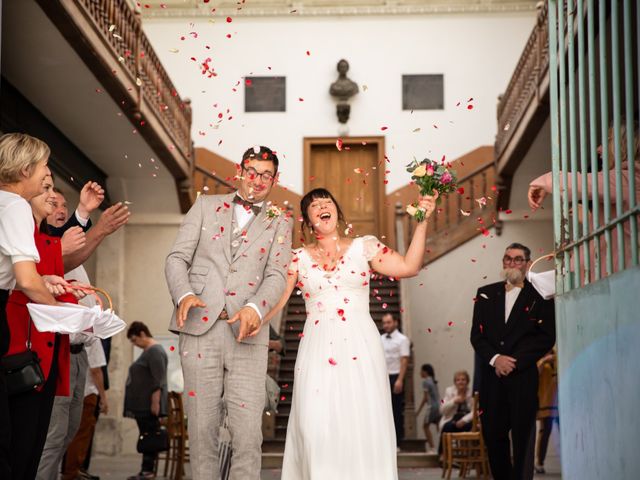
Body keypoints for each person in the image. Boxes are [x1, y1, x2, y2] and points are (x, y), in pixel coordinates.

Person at [268, 187, 437, 480]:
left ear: (336, 210)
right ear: (308, 221)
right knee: (314, 422)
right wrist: (244, 318)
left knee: (362, 419)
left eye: (327, 201)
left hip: (361, 344)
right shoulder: (296, 259)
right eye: (314, 204)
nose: (322, 205)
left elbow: (409, 267)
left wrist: (422, 220)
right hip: (317, 348)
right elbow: (274, 302)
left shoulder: (365, 247)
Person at [164, 146, 293, 480]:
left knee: (248, 435)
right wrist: (184, 294)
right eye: (252, 171)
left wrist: (255, 308)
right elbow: (177, 258)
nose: (258, 179)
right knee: (203, 431)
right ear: (240, 171)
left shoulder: (281, 220)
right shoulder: (205, 206)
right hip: (199, 330)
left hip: (248, 334)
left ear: (275, 179)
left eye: (267, 174)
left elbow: (277, 274)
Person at [37, 184, 125, 480]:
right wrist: (91, 222)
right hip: (53, 350)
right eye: (52, 200)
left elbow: (71, 245)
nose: (60, 209)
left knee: (68, 432)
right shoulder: (43, 244)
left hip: (78, 354)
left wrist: (85, 213)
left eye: (65, 204)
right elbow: (63, 256)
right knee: (54, 435)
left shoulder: (61, 241)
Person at [5, 173, 85, 480]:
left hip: (48, 352)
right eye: (47, 186)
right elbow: (25, 283)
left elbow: (38, 282)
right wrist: (67, 313)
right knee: (25, 448)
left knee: (39, 445)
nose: (50, 195)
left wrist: (56, 285)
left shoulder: (44, 239)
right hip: (22, 353)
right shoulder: (17, 219)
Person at [0, 132, 62, 478]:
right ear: (25, 170)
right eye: (43, 167)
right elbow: (26, 279)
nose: (45, 174)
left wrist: (42, 281)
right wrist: (57, 306)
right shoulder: (15, 206)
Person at [470, 243, 556, 480]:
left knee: (523, 438)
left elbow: (546, 337)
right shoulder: (485, 293)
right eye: (508, 258)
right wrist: (496, 359)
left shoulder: (541, 296)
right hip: (492, 378)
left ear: (528, 264)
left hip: (523, 377)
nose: (512, 263)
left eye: (518, 259)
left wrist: (514, 362)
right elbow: (477, 336)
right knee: (493, 435)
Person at [528, 121, 639, 282]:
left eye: (608, 140)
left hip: (621, 281)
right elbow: (613, 235)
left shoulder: (629, 177)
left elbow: (577, 183)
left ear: (624, 145)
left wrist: (546, 181)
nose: (598, 149)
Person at [124, 322, 168, 480]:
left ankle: (148, 471)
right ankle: (146, 470)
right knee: (147, 435)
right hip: (143, 404)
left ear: (142, 334)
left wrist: (155, 403)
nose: (135, 344)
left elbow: (158, 379)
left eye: (135, 340)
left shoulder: (155, 351)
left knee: (149, 436)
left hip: (149, 405)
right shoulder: (149, 351)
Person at [61, 336, 108, 480]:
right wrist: (103, 397)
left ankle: (70, 470)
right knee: (81, 434)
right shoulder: (91, 336)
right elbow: (96, 370)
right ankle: (71, 471)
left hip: (68, 389)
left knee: (69, 433)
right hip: (87, 392)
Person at [381, 313, 410, 447]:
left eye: (388, 322)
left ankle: (397, 442)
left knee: (396, 411)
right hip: (382, 378)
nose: (386, 325)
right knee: (383, 410)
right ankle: (385, 442)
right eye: (384, 323)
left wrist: (400, 379)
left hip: (395, 376)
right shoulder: (380, 338)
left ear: (395, 323)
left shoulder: (402, 339)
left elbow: (404, 360)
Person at [437, 370, 473, 456]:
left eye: (463, 379)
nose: (460, 382)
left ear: (467, 381)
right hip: (452, 420)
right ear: (455, 382)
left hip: (467, 422)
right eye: (458, 380)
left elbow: (479, 411)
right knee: (446, 427)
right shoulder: (448, 391)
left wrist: (464, 420)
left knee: (473, 428)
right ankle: (443, 454)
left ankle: (468, 455)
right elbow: (441, 408)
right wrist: (454, 401)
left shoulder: (472, 393)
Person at [535, 348, 559, 475]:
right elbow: (535, 373)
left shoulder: (556, 355)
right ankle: (539, 462)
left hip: (559, 401)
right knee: (545, 431)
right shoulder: (537, 355)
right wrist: (544, 360)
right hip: (545, 400)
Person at [415, 363, 441, 454]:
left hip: (432, 407)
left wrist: (418, 411)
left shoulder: (425, 382)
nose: (420, 373)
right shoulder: (434, 381)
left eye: (421, 371)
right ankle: (442, 448)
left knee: (425, 426)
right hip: (438, 406)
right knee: (439, 427)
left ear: (425, 372)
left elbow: (425, 398)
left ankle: (432, 447)